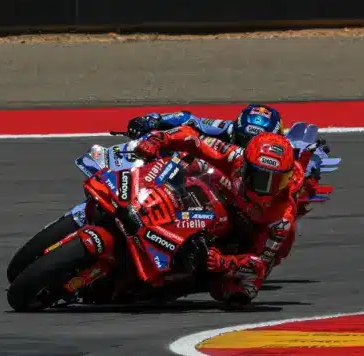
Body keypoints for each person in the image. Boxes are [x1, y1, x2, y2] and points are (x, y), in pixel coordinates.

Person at [133, 126, 325, 308]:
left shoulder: (281, 220)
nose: (267, 188)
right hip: (216, 201)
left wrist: (225, 262)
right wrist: (161, 138)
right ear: (246, 166)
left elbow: (259, 265)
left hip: (242, 240)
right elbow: (193, 138)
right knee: (186, 160)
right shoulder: (237, 157)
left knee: (239, 292)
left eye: (277, 181)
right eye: (260, 178)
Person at [125, 104, 284, 149]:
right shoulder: (226, 127)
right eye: (244, 140)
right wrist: (152, 119)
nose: (247, 148)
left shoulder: (286, 153)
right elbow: (188, 118)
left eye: (256, 143)